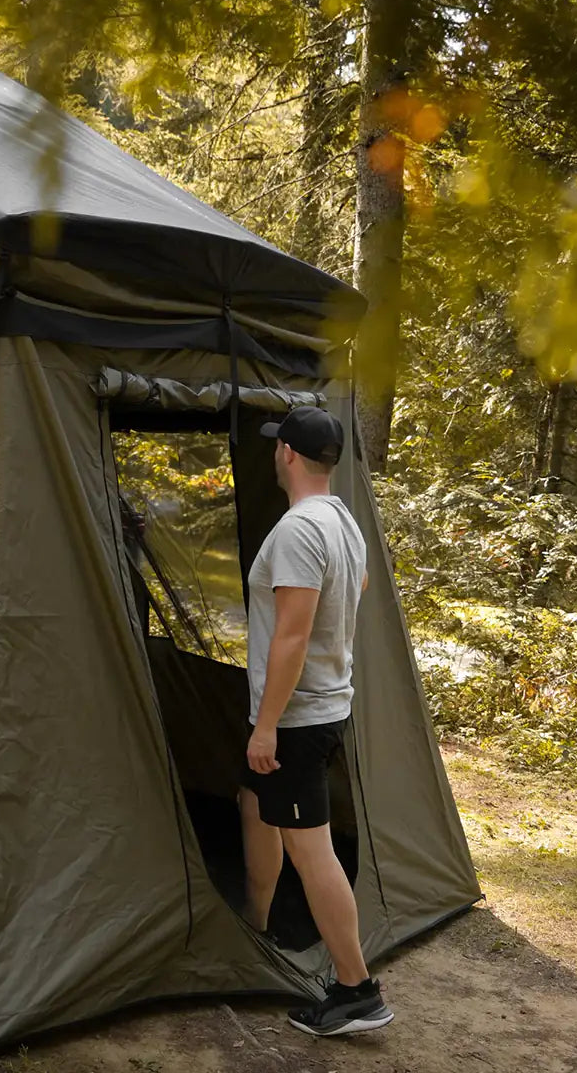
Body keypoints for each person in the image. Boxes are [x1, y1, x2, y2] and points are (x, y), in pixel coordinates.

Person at [240, 406, 394, 1037]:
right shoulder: (340, 519)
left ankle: (357, 990)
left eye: (276, 446)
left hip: (297, 719)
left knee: (312, 850)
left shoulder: (299, 529)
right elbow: (356, 586)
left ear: (287, 454)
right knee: (255, 803)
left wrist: (267, 726)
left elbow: (292, 637)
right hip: (319, 705)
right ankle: (255, 924)